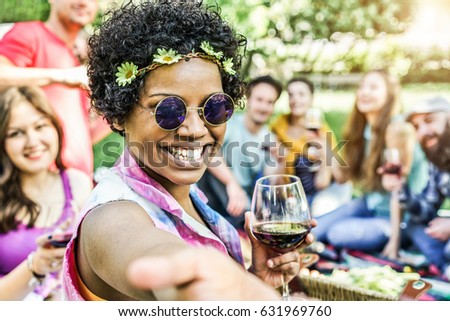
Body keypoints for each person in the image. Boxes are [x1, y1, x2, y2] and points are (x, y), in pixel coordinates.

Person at [62, 0, 313, 301]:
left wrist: (255, 279)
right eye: (168, 110)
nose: (194, 129)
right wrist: (202, 281)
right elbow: (158, 257)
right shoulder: (110, 216)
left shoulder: (187, 197)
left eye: (214, 107)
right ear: (118, 113)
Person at [313, 69, 428, 257]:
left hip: (400, 219)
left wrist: (395, 243)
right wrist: (324, 145)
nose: (364, 92)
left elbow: (398, 190)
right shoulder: (364, 128)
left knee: (336, 233)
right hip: (370, 204)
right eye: (362, 87)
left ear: (390, 95)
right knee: (314, 230)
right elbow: (343, 178)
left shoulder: (398, 129)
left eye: (373, 87)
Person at [0, 86, 92, 300]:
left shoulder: (78, 184)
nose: (33, 142)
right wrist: (37, 265)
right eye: (16, 133)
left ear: (55, 127)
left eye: (40, 126)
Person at [0, 0, 111, 177]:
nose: (84, 3)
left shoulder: (80, 59)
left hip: (76, 187)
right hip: (36, 187)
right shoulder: (30, 33)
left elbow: (84, 134)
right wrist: (62, 75)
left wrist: (120, 109)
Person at [198, 75, 284, 230]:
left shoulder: (269, 138)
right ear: (248, 100)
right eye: (259, 100)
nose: (264, 107)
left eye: (270, 102)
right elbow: (206, 151)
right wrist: (231, 183)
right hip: (215, 193)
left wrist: (280, 160)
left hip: (240, 201)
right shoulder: (230, 125)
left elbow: (270, 183)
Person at [383, 96, 450, 279]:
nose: (423, 132)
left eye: (429, 121)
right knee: (414, 225)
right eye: (417, 127)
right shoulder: (437, 161)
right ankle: (445, 267)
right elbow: (426, 210)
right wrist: (401, 188)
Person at [270, 77, 352, 216]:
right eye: (291, 95)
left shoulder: (321, 131)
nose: (295, 99)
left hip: (321, 190)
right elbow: (277, 174)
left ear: (311, 98)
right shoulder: (280, 126)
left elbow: (324, 181)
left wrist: (321, 147)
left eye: (301, 94)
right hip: (290, 191)